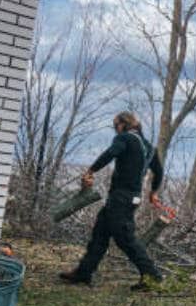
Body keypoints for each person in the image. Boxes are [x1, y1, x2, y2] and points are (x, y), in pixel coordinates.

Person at [59, 112, 165, 290]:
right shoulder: (149, 147)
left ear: (123, 124)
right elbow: (159, 172)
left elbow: (111, 153)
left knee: (126, 239)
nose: (115, 130)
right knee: (100, 234)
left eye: (115, 126)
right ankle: (83, 273)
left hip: (120, 198)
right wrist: (153, 192)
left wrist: (91, 170)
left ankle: (152, 277)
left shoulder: (124, 138)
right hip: (131, 198)